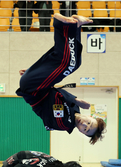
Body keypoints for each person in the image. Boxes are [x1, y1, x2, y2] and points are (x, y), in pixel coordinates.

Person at [16, 13, 106, 145]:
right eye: (89, 123)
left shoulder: (63, 123)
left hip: (34, 89)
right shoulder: (75, 109)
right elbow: (56, 92)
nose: (84, 124)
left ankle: (64, 25)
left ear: (81, 133)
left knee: (68, 63)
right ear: (90, 116)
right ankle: (75, 26)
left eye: (85, 130)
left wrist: (75, 99)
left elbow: (54, 95)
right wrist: (34, 72)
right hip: (40, 84)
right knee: (74, 63)